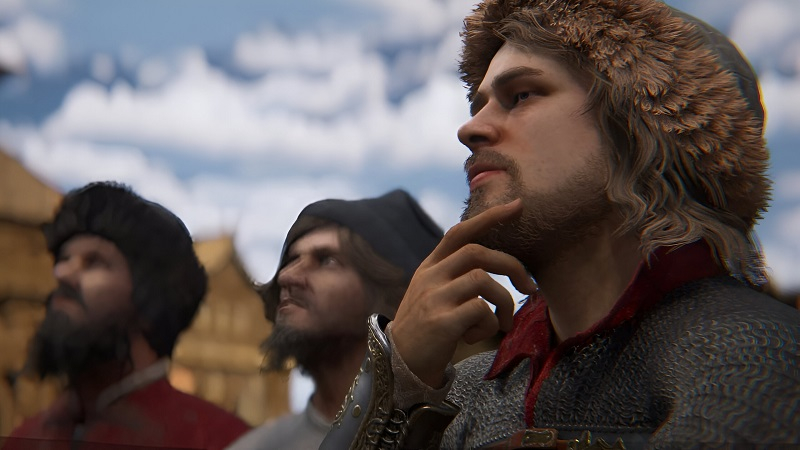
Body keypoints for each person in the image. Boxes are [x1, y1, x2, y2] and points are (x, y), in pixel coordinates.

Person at [320, 0, 800, 449]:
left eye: (520, 95)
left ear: (639, 129)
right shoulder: (470, 390)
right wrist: (398, 383)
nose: (470, 129)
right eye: (478, 104)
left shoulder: (754, 355)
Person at [3, 182, 250, 450]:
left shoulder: (224, 441)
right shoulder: (24, 439)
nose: (62, 273)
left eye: (94, 261)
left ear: (150, 302)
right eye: (63, 259)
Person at [226, 189, 443, 450]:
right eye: (292, 260)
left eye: (326, 260)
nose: (286, 276)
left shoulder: (461, 433)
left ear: (394, 293)